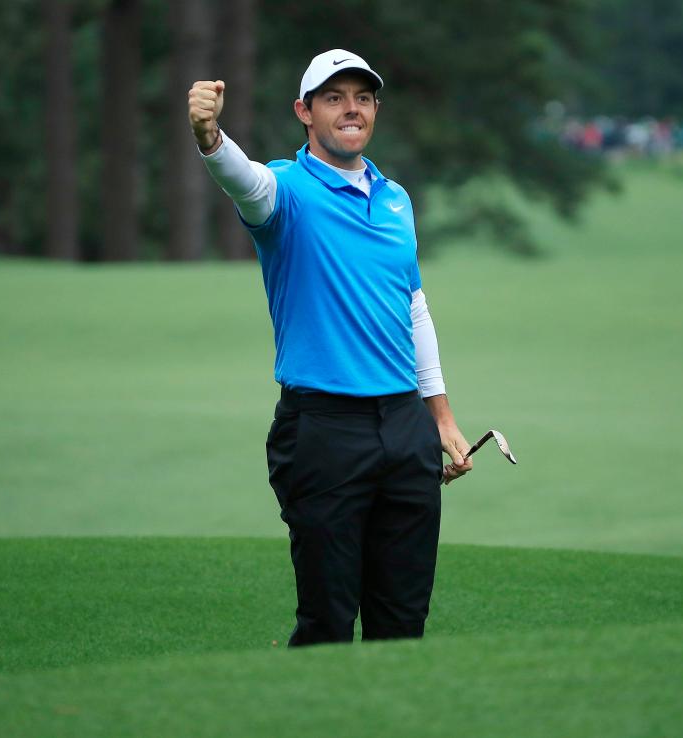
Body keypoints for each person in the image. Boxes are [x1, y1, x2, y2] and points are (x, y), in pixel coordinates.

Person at [188, 49, 473, 647]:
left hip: (403, 427)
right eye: (335, 98)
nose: (352, 109)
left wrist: (439, 414)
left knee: (403, 624)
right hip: (322, 428)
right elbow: (244, 180)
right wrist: (210, 137)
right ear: (305, 112)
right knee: (327, 621)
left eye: (363, 98)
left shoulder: (396, 199)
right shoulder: (285, 191)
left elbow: (413, 306)